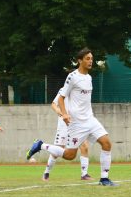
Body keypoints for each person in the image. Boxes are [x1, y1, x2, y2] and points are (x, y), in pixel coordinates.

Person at [26, 47, 118, 186]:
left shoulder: (89, 77)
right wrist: (64, 114)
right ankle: (41, 145)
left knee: (106, 143)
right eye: (87, 59)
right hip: (76, 123)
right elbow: (61, 98)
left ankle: (104, 178)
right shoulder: (72, 77)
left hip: (90, 120)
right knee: (70, 155)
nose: (90, 61)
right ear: (79, 61)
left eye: (92, 59)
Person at [42, 88, 92, 181]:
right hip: (64, 125)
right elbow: (53, 104)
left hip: (77, 125)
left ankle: (84, 174)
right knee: (56, 151)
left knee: (84, 146)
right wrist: (59, 111)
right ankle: (46, 172)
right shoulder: (64, 90)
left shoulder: (82, 90)